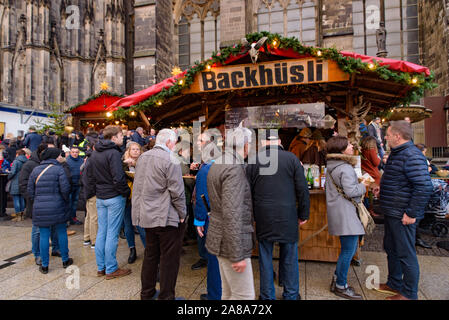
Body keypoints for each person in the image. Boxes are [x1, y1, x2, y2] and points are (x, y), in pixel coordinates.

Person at [246, 130, 310, 300]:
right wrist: (303, 213)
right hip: (287, 214)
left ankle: (267, 296)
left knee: (265, 257)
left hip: (263, 216)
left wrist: (250, 216)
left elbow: (247, 192)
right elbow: (302, 189)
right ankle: (290, 294)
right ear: (279, 141)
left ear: (261, 143)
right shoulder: (292, 159)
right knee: (290, 255)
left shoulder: (253, 161)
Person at [374, 120, 433, 300]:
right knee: (391, 247)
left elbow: (424, 186)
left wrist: (411, 213)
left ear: (398, 136)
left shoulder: (412, 155)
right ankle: (394, 283)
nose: (385, 137)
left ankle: (409, 294)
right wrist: (381, 188)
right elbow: (400, 179)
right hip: (393, 211)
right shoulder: (398, 153)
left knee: (406, 253)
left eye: (388, 134)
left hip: (403, 214)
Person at [132, 129, 187, 300]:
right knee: (169, 260)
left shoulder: (143, 157)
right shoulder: (171, 159)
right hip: (165, 217)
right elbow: (177, 192)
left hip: (147, 215)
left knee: (151, 256)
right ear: (170, 142)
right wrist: (182, 213)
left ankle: (146, 294)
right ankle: (166, 297)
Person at [206, 127, 256, 300]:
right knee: (244, 296)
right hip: (231, 243)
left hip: (221, 238)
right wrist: (237, 254)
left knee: (228, 293)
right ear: (246, 145)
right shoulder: (234, 167)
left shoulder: (220, 161)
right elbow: (232, 213)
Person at [325, 136, 370, 300]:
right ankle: (340, 285)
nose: (352, 147)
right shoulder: (345, 168)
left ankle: (337, 279)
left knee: (347, 249)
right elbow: (351, 192)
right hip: (347, 214)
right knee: (348, 251)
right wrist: (363, 186)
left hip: (339, 212)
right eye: (349, 145)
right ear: (342, 149)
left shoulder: (330, 166)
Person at [86, 125, 131, 280]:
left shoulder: (95, 153)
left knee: (102, 232)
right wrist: (126, 192)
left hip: (101, 196)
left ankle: (101, 267)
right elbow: (118, 178)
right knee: (111, 233)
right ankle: (111, 269)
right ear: (113, 138)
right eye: (120, 136)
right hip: (114, 196)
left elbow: (90, 176)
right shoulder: (113, 153)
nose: (122, 138)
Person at [27, 148, 73, 274]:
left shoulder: (35, 170)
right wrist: (63, 201)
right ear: (54, 156)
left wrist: (38, 201)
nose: (60, 157)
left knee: (43, 235)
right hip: (57, 205)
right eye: (59, 155)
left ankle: (45, 265)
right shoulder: (59, 170)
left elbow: (30, 191)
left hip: (40, 207)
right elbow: (65, 189)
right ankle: (65, 260)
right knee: (61, 232)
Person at [193, 130, 222, 300]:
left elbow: (202, 199)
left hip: (214, 218)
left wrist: (199, 220)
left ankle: (214, 295)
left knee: (214, 261)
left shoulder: (205, 171)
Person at [122, 141, 146, 263]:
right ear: (129, 151)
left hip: (141, 198)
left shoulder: (144, 162)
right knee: (128, 225)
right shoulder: (123, 163)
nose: (136, 151)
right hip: (127, 198)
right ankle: (132, 249)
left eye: (137, 149)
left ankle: (148, 249)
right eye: (133, 149)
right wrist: (125, 165)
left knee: (141, 225)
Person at [80, 143, 97, 249]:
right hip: (92, 192)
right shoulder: (93, 159)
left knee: (89, 216)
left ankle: (87, 238)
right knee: (94, 217)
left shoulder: (88, 159)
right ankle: (94, 240)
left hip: (87, 191)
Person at [8, 149, 28, 221]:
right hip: (23, 181)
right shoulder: (26, 161)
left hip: (16, 181)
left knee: (16, 198)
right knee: (22, 198)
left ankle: (18, 215)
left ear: (17, 154)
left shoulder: (16, 161)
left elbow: (13, 172)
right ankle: (22, 214)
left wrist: (8, 177)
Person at [66, 147, 83, 225]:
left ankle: (73, 218)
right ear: (70, 153)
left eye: (76, 152)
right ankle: (67, 219)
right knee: (68, 202)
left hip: (78, 184)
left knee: (75, 202)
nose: (75, 154)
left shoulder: (81, 160)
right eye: (73, 152)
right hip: (69, 185)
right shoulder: (67, 161)